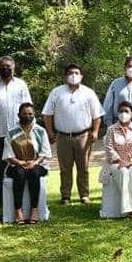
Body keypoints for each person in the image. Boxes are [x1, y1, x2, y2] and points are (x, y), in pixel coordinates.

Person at [42, 64, 104, 205]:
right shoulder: (56, 93)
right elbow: (47, 114)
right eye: (70, 73)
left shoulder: (89, 93)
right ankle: (66, 196)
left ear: (81, 76)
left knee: (84, 167)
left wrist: (95, 131)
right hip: (63, 137)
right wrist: (50, 132)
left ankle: (84, 195)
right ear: (65, 77)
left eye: (77, 72)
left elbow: (97, 116)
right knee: (65, 168)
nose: (74, 75)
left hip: (83, 136)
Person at [0, 55, 32, 207]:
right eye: (2, 66)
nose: (5, 69)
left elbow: (29, 108)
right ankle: (2, 200)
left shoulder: (21, 85)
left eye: (8, 66)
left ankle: (21, 198)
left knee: (21, 166)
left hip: (19, 133)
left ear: (13, 68)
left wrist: (31, 130)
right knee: (0, 168)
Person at [2, 103, 50, 224]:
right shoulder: (11, 132)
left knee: (34, 173)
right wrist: (21, 163)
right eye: (24, 114)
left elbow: (44, 152)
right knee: (19, 173)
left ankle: (34, 210)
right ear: (19, 115)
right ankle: (18, 211)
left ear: (34, 115)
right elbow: (8, 155)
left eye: (30, 114)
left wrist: (34, 162)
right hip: (16, 164)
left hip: (38, 164)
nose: (27, 116)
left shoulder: (40, 131)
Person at [103, 101, 132, 219]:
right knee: (123, 173)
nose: (123, 114)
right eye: (121, 111)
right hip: (116, 164)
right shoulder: (111, 130)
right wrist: (119, 160)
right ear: (117, 114)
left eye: (126, 111)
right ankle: (131, 210)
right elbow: (109, 148)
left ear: (131, 114)